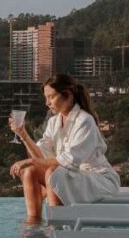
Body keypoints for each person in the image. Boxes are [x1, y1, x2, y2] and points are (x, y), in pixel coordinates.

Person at [9, 73, 120, 221]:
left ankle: (56, 227)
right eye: (45, 98)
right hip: (71, 176)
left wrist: (31, 161)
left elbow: (69, 161)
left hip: (98, 179)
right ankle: (33, 226)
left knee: (53, 172)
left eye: (51, 97)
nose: (47, 103)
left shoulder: (85, 121)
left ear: (67, 96)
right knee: (30, 171)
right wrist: (23, 135)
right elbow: (41, 156)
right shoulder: (54, 122)